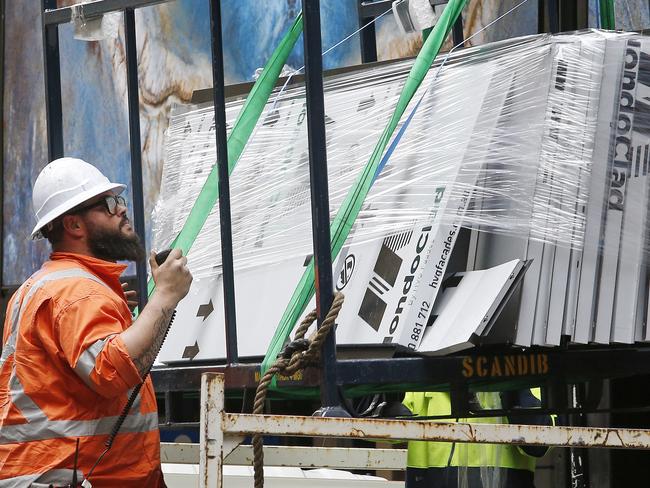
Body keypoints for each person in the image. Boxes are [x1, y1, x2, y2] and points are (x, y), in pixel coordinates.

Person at [0, 157, 193, 487]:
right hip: (71, 475)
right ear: (74, 225)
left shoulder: (52, 284)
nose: (121, 209)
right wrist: (164, 297)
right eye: (107, 204)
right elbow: (111, 370)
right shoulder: (77, 291)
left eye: (118, 199)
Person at [403, 388, 553, 488]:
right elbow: (389, 425)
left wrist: (514, 385)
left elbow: (540, 445)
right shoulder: (430, 366)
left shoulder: (525, 367)